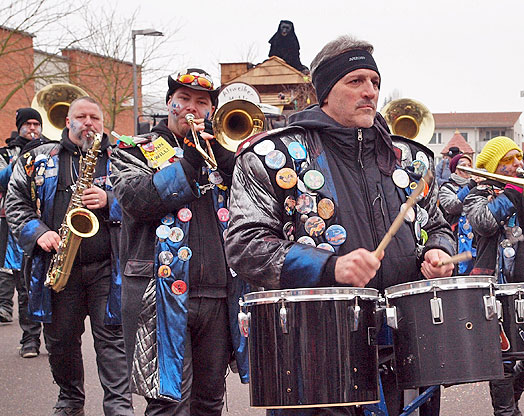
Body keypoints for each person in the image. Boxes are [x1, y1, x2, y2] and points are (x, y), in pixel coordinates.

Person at [225, 34, 455, 416]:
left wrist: (438, 252)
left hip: (404, 347)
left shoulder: (409, 159)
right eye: (356, 81)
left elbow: (438, 226)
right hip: (315, 353)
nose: (369, 92)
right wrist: (330, 267)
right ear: (326, 92)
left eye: (375, 82)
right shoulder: (272, 155)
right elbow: (245, 245)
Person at [109, 68, 248, 415]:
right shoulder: (134, 149)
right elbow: (135, 199)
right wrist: (188, 164)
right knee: (167, 402)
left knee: (210, 401)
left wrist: (230, 164)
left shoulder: (223, 151)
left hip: (217, 295)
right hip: (160, 294)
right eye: (183, 99)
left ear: (211, 112)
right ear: (169, 102)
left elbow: (253, 205)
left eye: (201, 103)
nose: (191, 108)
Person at [5, 97, 133, 416]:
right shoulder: (37, 158)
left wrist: (110, 199)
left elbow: (144, 196)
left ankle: (118, 406)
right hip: (59, 266)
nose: (89, 122)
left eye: (95, 117)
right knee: (61, 341)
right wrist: (38, 232)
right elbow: (15, 203)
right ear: (67, 122)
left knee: (113, 341)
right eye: (82, 116)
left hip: (107, 267)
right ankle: (71, 399)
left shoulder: (122, 156)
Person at [463, 136, 524, 416]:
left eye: (519, 157)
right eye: (509, 160)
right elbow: (484, 222)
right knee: (503, 359)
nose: (517, 163)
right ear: (493, 166)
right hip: (497, 289)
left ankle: (510, 403)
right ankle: (506, 412)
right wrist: (511, 194)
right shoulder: (477, 195)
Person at [0, 108, 45, 358]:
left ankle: (53, 336)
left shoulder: (49, 149)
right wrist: (20, 162)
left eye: (36, 123)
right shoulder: (6, 153)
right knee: (25, 286)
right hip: (18, 226)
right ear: (19, 126)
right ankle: (30, 339)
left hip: (46, 224)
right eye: (27, 123)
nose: (32, 128)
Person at [438, 153, 476, 274]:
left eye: (469, 165)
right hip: (456, 239)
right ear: (455, 169)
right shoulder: (447, 188)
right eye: (463, 165)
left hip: (475, 240)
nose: (467, 167)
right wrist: (471, 186)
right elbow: (452, 206)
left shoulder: (477, 185)